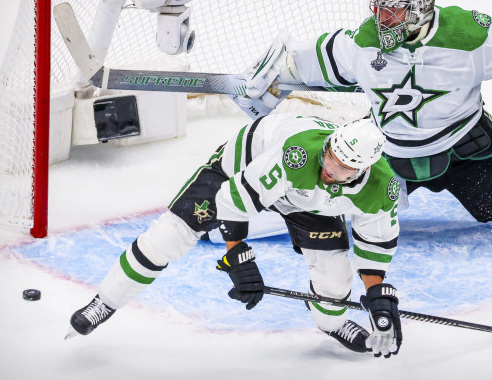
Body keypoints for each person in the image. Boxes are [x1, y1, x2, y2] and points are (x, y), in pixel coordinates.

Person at [234, 0, 492, 233]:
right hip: (386, 150)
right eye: (381, 11)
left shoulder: (468, 35)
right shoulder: (365, 39)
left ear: (420, 11)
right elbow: (308, 58)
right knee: (332, 211)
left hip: (463, 145)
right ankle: (234, 215)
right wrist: (272, 74)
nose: (382, 21)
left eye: (394, 13)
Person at [66, 114, 404, 358]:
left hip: (310, 201)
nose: (329, 167)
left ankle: (332, 322)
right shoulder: (300, 155)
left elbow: (375, 245)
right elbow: (234, 199)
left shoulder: (380, 189)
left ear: (363, 170)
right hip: (243, 168)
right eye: (330, 154)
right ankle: (105, 301)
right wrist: (237, 258)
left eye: (343, 168)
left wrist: (376, 295)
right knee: (170, 236)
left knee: (335, 275)